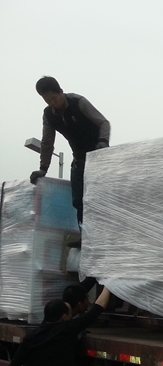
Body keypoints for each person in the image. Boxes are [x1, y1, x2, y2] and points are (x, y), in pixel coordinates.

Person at [29, 76, 110, 242]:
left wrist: (103, 142)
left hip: (98, 155)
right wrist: (43, 168)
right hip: (79, 158)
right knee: (78, 200)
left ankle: (104, 237)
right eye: (47, 100)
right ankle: (85, 238)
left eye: (54, 98)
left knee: (99, 197)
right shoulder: (48, 115)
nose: (52, 103)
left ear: (61, 92)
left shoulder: (78, 102)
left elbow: (103, 123)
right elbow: (47, 142)